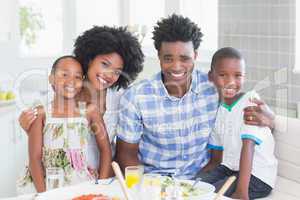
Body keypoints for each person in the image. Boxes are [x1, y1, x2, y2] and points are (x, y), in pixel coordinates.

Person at [115, 14, 275, 179]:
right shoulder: (136, 97)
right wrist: (141, 190)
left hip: (202, 182)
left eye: (185, 58)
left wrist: (269, 119)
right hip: (155, 182)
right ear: (159, 57)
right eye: (168, 58)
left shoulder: (215, 87)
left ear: (196, 56)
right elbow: (126, 155)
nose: (176, 67)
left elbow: (246, 112)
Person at [18, 26, 144, 171]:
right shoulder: (61, 94)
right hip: (61, 177)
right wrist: (28, 128)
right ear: (89, 59)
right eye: (104, 64)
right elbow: (48, 141)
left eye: (117, 72)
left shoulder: (120, 98)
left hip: (102, 177)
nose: (109, 75)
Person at [17, 56, 112, 193]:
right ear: (51, 79)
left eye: (78, 77)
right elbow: (34, 158)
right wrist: (44, 195)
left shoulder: (91, 112)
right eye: (64, 74)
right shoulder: (41, 114)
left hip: (82, 182)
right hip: (47, 184)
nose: (71, 81)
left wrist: (101, 187)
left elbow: (105, 150)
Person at [198, 47, 277, 200]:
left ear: (244, 77)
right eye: (223, 75)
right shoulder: (218, 110)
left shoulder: (250, 101)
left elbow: (248, 146)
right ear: (211, 77)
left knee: (209, 194)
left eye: (238, 75)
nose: (231, 82)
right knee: (194, 186)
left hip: (257, 176)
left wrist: (241, 193)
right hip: (230, 168)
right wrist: (198, 178)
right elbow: (216, 159)